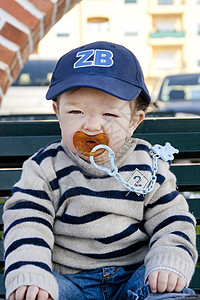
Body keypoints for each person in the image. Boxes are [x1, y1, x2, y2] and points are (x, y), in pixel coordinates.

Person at [3, 41, 199, 300]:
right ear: (58, 113)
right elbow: (27, 223)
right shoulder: (45, 168)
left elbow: (172, 219)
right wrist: (32, 274)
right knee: (39, 293)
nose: (92, 125)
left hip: (133, 279)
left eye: (109, 114)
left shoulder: (148, 164)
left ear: (133, 122)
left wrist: (169, 261)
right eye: (76, 111)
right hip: (68, 282)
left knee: (163, 289)